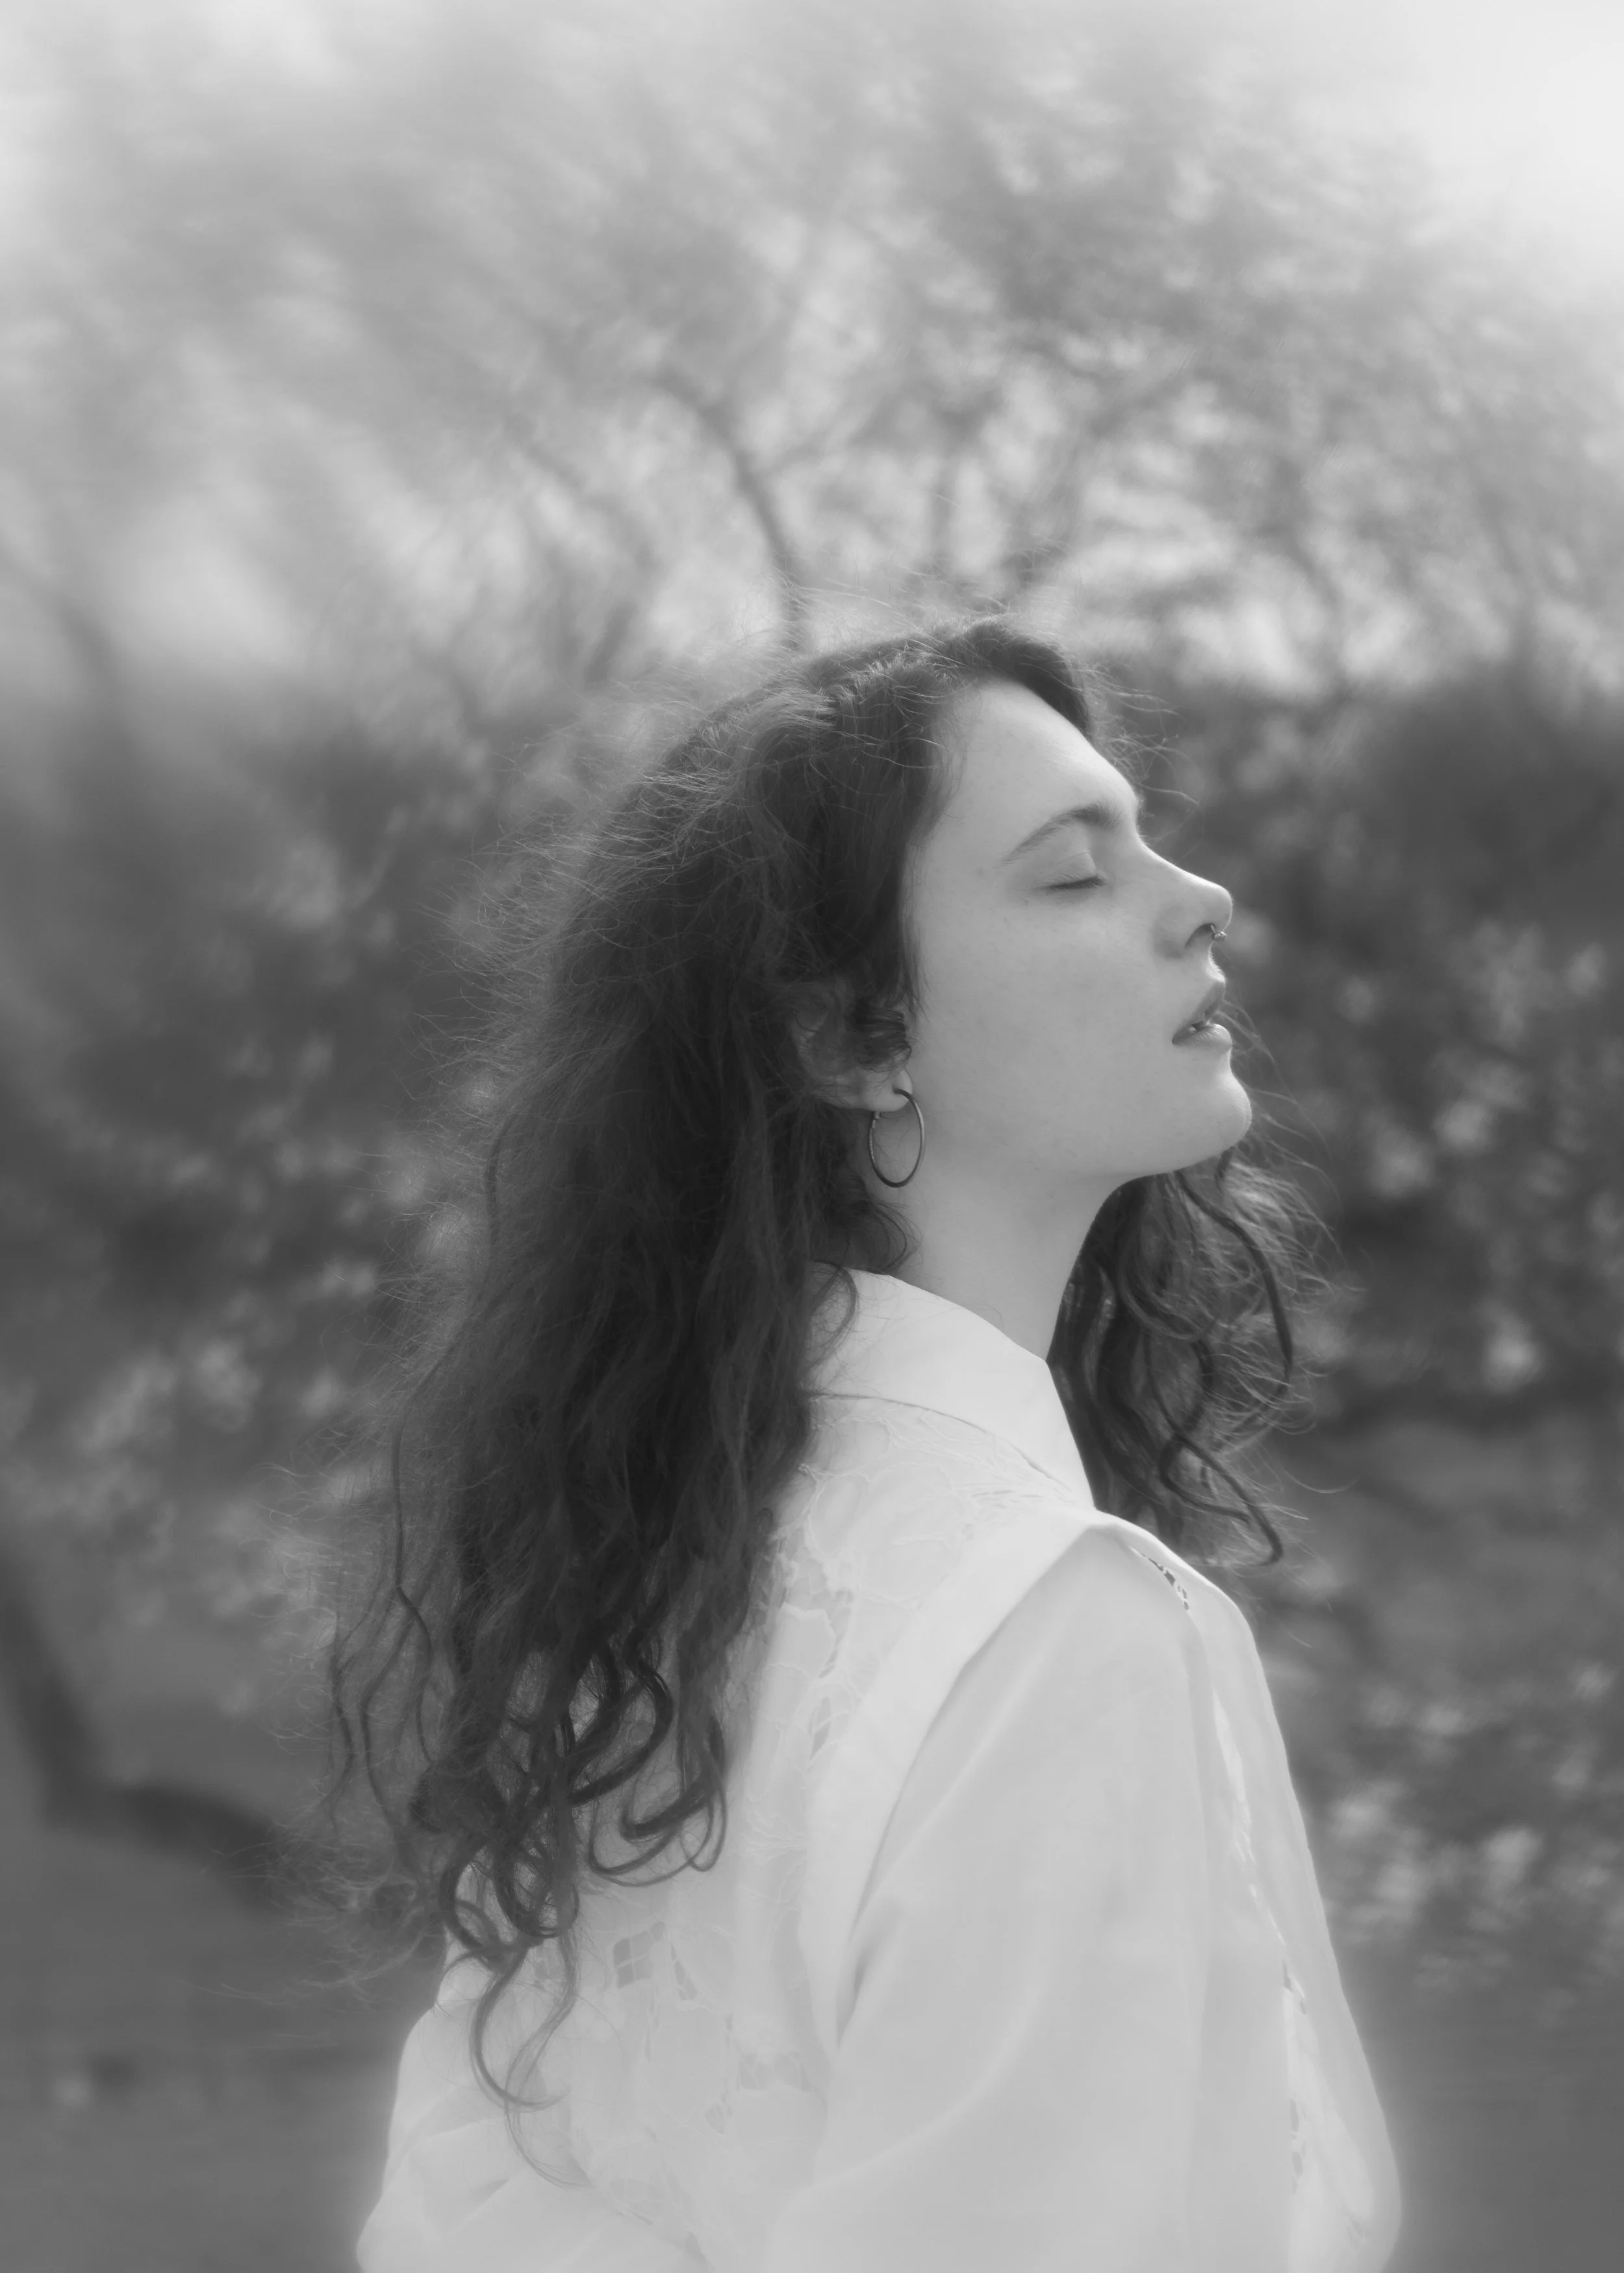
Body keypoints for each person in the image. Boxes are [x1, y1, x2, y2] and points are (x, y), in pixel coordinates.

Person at [338, 616, 1401, 2270]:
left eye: (1145, 840)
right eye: (1072, 874)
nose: (1199, 898)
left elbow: (457, 2209)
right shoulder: (1052, 1626)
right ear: (849, 1038)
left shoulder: (649, 1576)